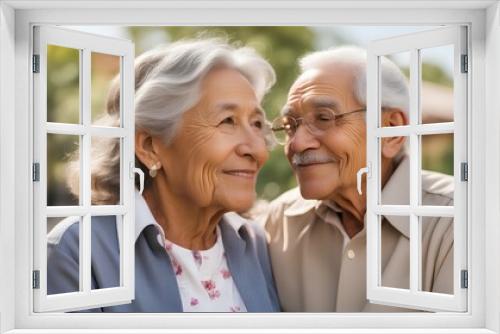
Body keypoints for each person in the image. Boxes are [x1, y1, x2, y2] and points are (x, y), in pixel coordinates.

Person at [47, 39, 280, 312]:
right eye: (227, 120)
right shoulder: (79, 252)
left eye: (257, 124)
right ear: (149, 147)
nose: (258, 150)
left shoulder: (256, 243)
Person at [260, 46, 454, 312]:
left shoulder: (456, 220)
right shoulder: (279, 222)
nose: (297, 143)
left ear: (391, 130)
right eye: (291, 125)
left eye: (324, 118)